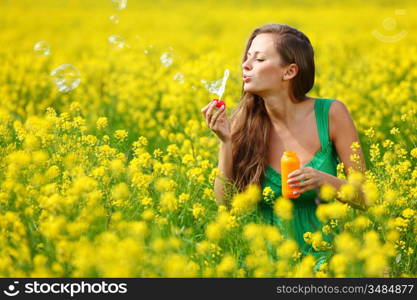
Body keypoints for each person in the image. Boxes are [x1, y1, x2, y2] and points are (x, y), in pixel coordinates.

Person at [201, 23, 367, 267]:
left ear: (289, 72)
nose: (245, 66)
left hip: (329, 262)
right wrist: (226, 142)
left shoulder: (331, 113)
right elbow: (224, 204)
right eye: (247, 58)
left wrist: (325, 181)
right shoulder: (243, 123)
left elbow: (366, 198)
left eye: (258, 59)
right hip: (266, 264)